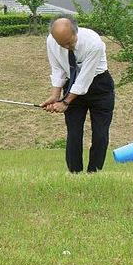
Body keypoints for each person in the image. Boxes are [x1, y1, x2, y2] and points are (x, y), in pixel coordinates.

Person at [41, 16, 115, 173]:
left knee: (100, 133)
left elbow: (84, 79)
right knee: (73, 132)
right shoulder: (52, 41)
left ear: (76, 31)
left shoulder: (93, 43)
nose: (66, 47)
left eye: (69, 42)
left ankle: (94, 172)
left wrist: (65, 102)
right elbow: (58, 69)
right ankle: (75, 173)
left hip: (99, 86)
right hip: (72, 84)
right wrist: (55, 95)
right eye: (62, 44)